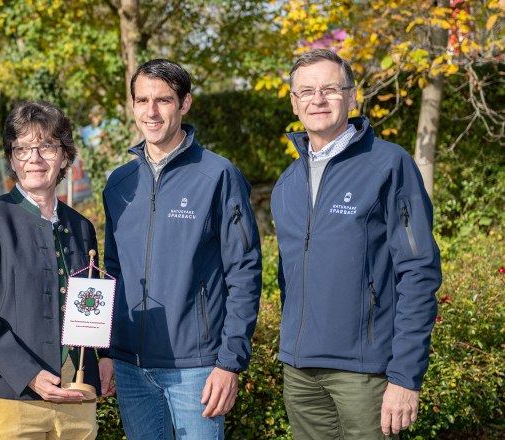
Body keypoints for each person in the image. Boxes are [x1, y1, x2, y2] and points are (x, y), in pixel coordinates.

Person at [271, 48, 442, 439]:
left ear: (351, 97)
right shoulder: (287, 183)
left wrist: (405, 376)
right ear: (295, 103)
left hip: (366, 374)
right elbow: (288, 279)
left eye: (330, 89)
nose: (318, 99)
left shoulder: (388, 165)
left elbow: (419, 272)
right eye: (307, 91)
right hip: (300, 373)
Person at [102, 58, 263, 439]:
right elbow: (112, 270)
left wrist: (230, 363)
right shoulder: (119, 182)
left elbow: (244, 271)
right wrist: (106, 351)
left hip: (197, 368)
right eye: (142, 100)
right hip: (129, 367)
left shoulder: (218, 176)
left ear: (184, 104)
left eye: (164, 100)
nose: (151, 112)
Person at [0, 100, 108, 439]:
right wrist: (29, 373)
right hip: (10, 397)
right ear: (11, 159)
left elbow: (90, 306)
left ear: (65, 156)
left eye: (46, 147)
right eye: (22, 149)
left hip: (76, 397)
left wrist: (103, 357)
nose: (34, 159)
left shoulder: (82, 227)